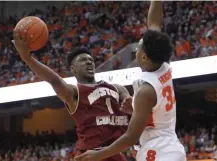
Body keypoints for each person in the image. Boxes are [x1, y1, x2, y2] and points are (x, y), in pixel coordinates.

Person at [75, 1, 186, 161]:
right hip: (170, 146)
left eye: (139, 47)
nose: (136, 49)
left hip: (157, 152)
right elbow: (154, 23)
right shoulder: (163, 65)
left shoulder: (145, 91)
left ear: (143, 56)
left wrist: (98, 155)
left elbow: (131, 137)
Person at [12, 33, 132, 160]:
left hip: (115, 152)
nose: (89, 62)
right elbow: (54, 80)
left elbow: (130, 103)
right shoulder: (75, 92)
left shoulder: (117, 88)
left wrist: (130, 103)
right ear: (73, 69)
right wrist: (28, 59)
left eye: (91, 60)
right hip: (89, 154)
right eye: (83, 60)